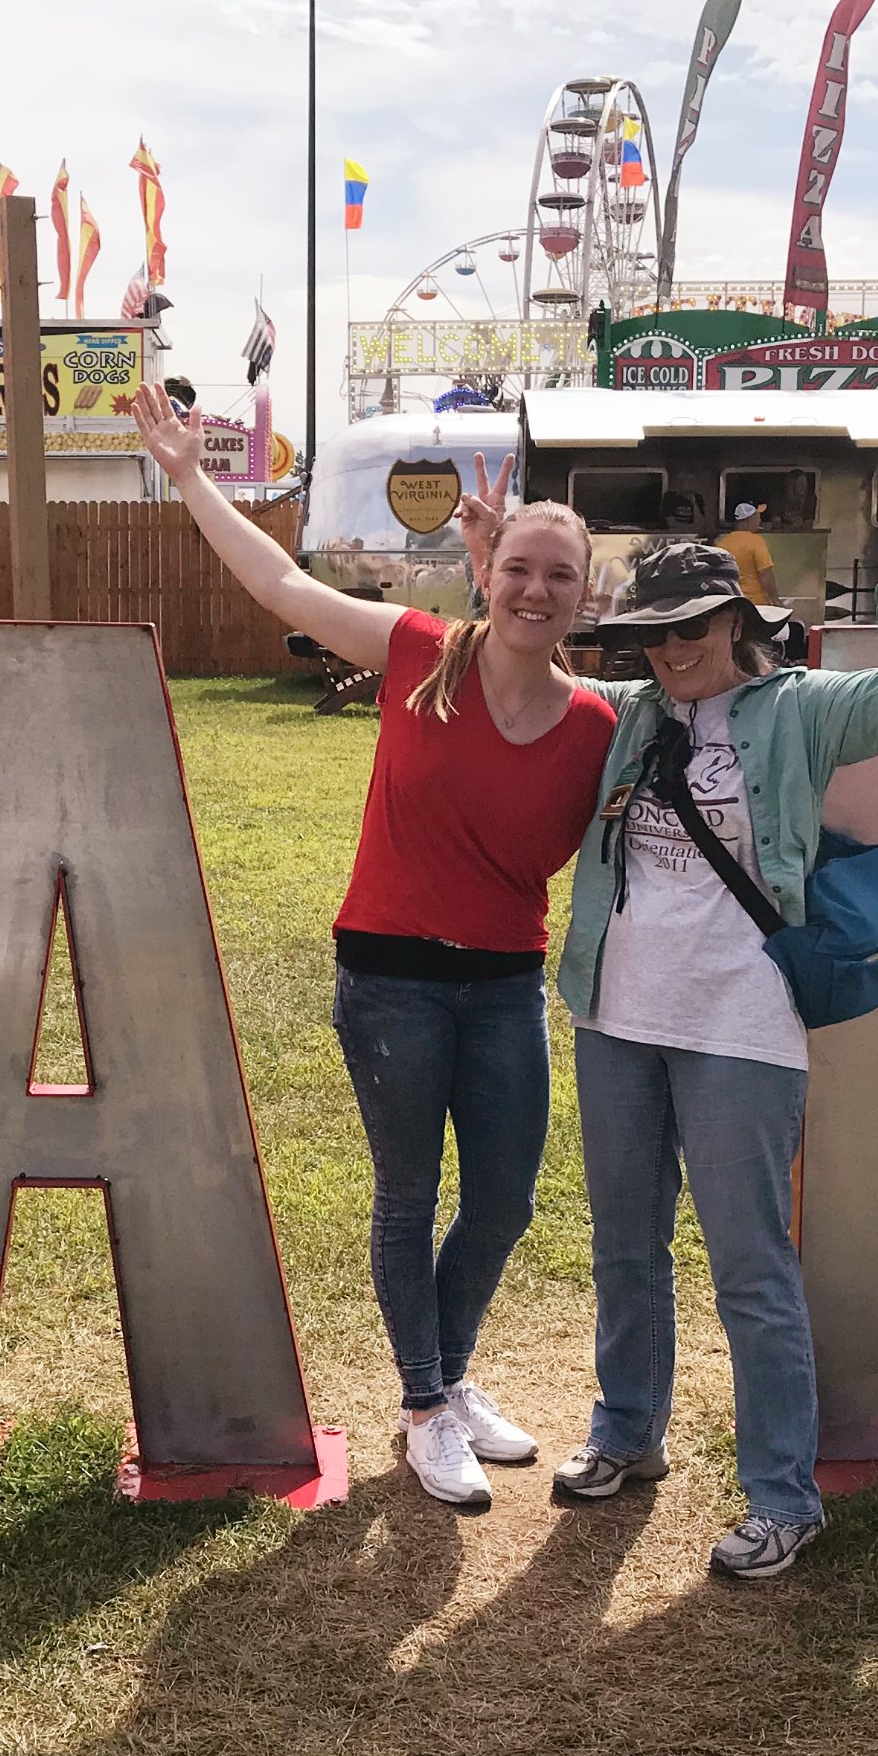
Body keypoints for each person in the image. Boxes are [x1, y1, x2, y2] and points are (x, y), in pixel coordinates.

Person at [126, 386, 617, 1510]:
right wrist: (192, 476)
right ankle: (426, 1404)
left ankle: (446, 1375)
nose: (536, 589)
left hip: (505, 984)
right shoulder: (418, 653)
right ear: (485, 577)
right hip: (393, 978)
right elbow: (283, 586)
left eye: (559, 575)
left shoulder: (596, 723)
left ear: (585, 595)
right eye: (518, 568)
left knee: (504, 1201)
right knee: (409, 1196)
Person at [538, 464, 878, 1581]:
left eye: (691, 628)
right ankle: (627, 1433)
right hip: (617, 1013)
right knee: (624, 1246)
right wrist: (499, 569)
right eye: (652, 634)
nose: (671, 651)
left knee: (749, 1269)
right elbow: (523, 683)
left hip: (740, 1023)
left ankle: (783, 1496)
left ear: (736, 621)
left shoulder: (798, 711)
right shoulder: (628, 717)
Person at [716, 501, 778, 607]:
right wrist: (775, 600)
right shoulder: (756, 541)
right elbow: (765, 574)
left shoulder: (721, 544)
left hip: (731, 604)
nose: (760, 520)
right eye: (757, 517)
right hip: (756, 604)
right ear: (748, 520)